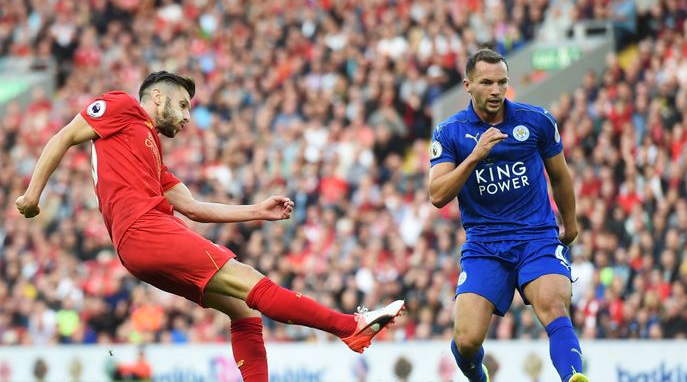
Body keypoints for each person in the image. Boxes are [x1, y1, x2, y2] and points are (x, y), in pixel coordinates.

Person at [16, 71, 405, 382]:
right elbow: (64, 136)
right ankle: (349, 327)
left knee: (243, 310)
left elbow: (193, 208)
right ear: (156, 97)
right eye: (182, 105)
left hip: (135, 248)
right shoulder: (121, 106)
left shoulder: (152, 158)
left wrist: (258, 210)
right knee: (251, 280)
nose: (187, 117)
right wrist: (33, 194)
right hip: (145, 231)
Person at [428, 49, 588, 382]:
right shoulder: (450, 132)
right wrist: (474, 157)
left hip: (536, 237)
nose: (496, 90)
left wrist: (570, 223)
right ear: (468, 85)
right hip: (485, 246)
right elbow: (437, 195)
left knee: (554, 306)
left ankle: (574, 377)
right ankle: (477, 374)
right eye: (486, 82)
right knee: (467, 341)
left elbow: (560, 175)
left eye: (502, 82)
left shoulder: (536, 121)